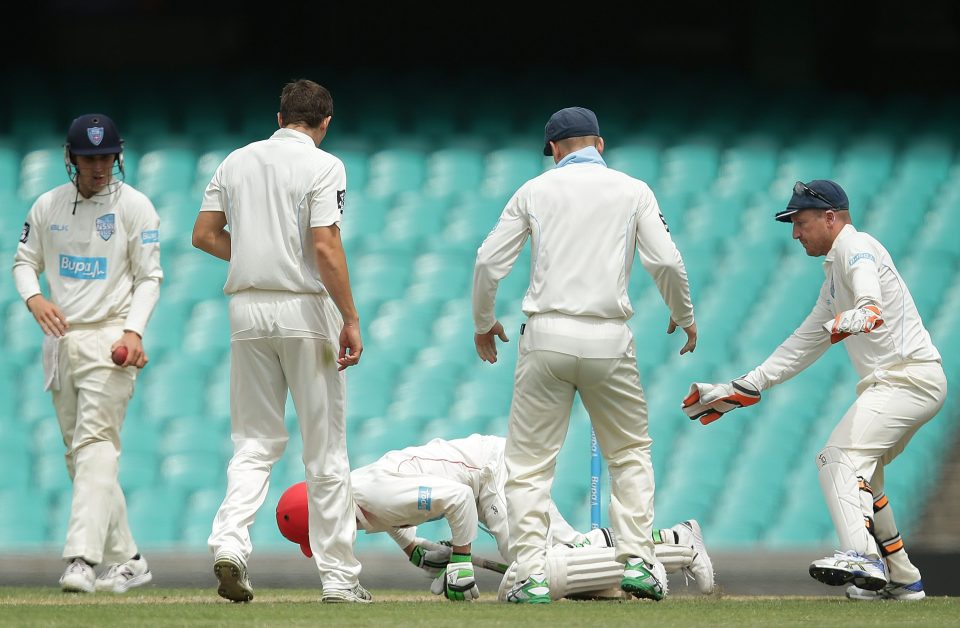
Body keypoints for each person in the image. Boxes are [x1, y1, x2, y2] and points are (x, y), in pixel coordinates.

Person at [470, 107, 698, 603]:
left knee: (529, 466)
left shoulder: (535, 190)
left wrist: (483, 320)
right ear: (600, 143)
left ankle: (530, 575)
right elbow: (666, 259)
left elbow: (489, 260)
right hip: (609, 337)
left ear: (554, 148)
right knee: (630, 454)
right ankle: (639, 560)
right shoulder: (632, 189)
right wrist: (683, 312)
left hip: (546, 335)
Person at [682, 179, 946, 602]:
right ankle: (903, 577)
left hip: (907, 379)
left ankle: (861, 556)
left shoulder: (856, 249)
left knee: (836, 458)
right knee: (866, 478)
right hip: (905, 381)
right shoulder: (834, 275)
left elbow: (868, 298)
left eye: (801, 222)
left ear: (830, 218)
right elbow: (806, 340)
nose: (794, 233)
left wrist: (865, 312)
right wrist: (747, 385)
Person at [192, 79, 369, 604]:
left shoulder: (236, 161)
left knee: (254, 442)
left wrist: (254, 260)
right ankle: (339, 580)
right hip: (302, 308)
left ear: (278, 117)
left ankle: (229, 543)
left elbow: (203, 234)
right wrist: (351, 317)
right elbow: (325, 246)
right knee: (325, 450)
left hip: (246, 309)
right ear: (325, 122)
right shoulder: (324, 165)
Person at [275, 433, 715, 601]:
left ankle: (677, 543)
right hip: (488, 472)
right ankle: (671, 545)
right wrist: (414, 549)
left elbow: (456, 499)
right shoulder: (358, 499)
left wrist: (463, 562)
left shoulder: (371, 493)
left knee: (535, 565)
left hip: (493, 471)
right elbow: (392, 516)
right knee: (566, 555)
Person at [12, 113, 162, 594]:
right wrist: (34, 298)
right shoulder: (48, 204)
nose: (98, 167)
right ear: (70, 158)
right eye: (88, 157)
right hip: (61, 343)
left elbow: (149, 278)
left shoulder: (135, 206)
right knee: (79, 458)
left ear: (117, 157)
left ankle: (81, 558)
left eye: (105, 157)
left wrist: (134, 331)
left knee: (97, 446)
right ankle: (131, 559)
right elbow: (23, 262)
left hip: (110, 339)